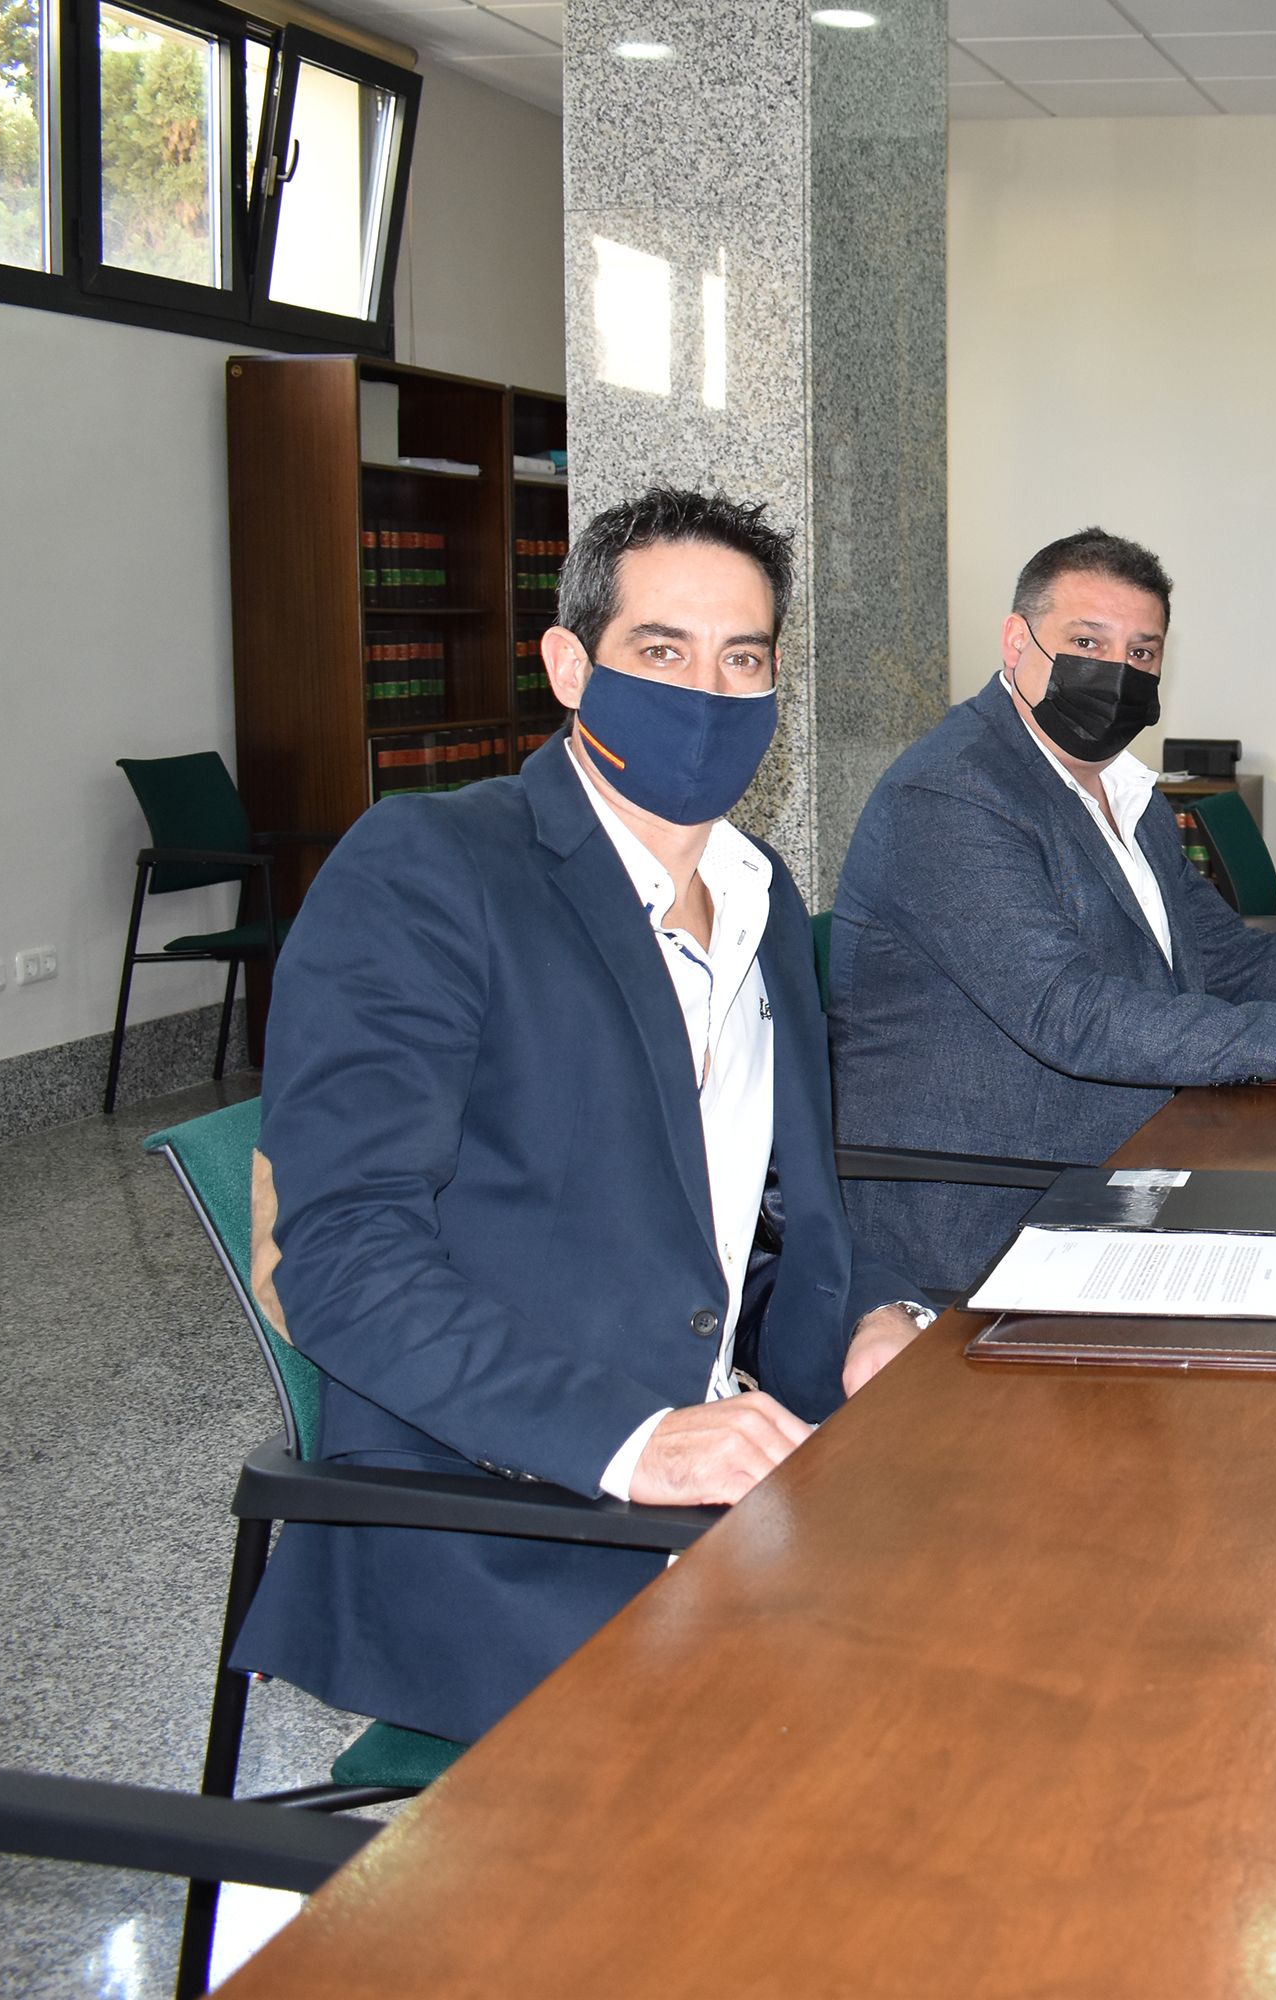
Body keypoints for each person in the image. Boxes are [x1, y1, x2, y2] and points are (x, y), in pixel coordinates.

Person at [235, 488, 940, 1746]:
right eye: (661, 652)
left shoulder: (759, 885)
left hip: (753, 1459)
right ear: (570, 664)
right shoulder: (429, 870)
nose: (708, 694)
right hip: (523, 1514)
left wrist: (876, 1311)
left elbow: (766, 1207)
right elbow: (340, 1261)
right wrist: (641, 1442)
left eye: (745, 660)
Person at [829, 527, 1276, 1300]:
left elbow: (1232, 959)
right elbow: (1067, 1012)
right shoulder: (952, 796)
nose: (1116, 671)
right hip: (1000, 1204)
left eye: (1142, 652)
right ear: (1017, 643)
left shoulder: (1127, 794)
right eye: (1087, 640)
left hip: (1143, 1147)